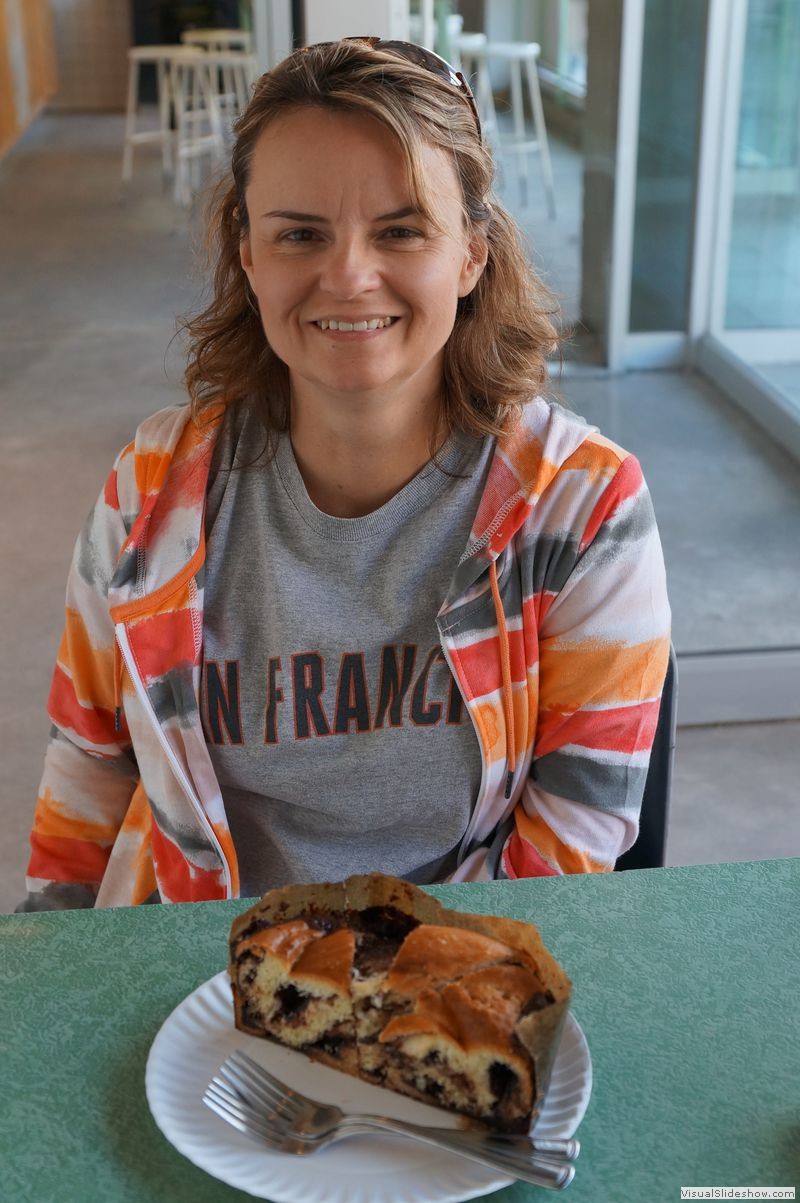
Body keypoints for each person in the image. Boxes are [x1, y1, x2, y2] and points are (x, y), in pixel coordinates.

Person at [18, 39, 670, 911]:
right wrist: (42, 986)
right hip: (188, 982)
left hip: (453, 985)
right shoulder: (149, 489)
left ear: (472, 253)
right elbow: (89, 770)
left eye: (401, 230)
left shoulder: (584, 508)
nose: (350, 276)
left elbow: (568, 853)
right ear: (248, 255)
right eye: (300, 234)